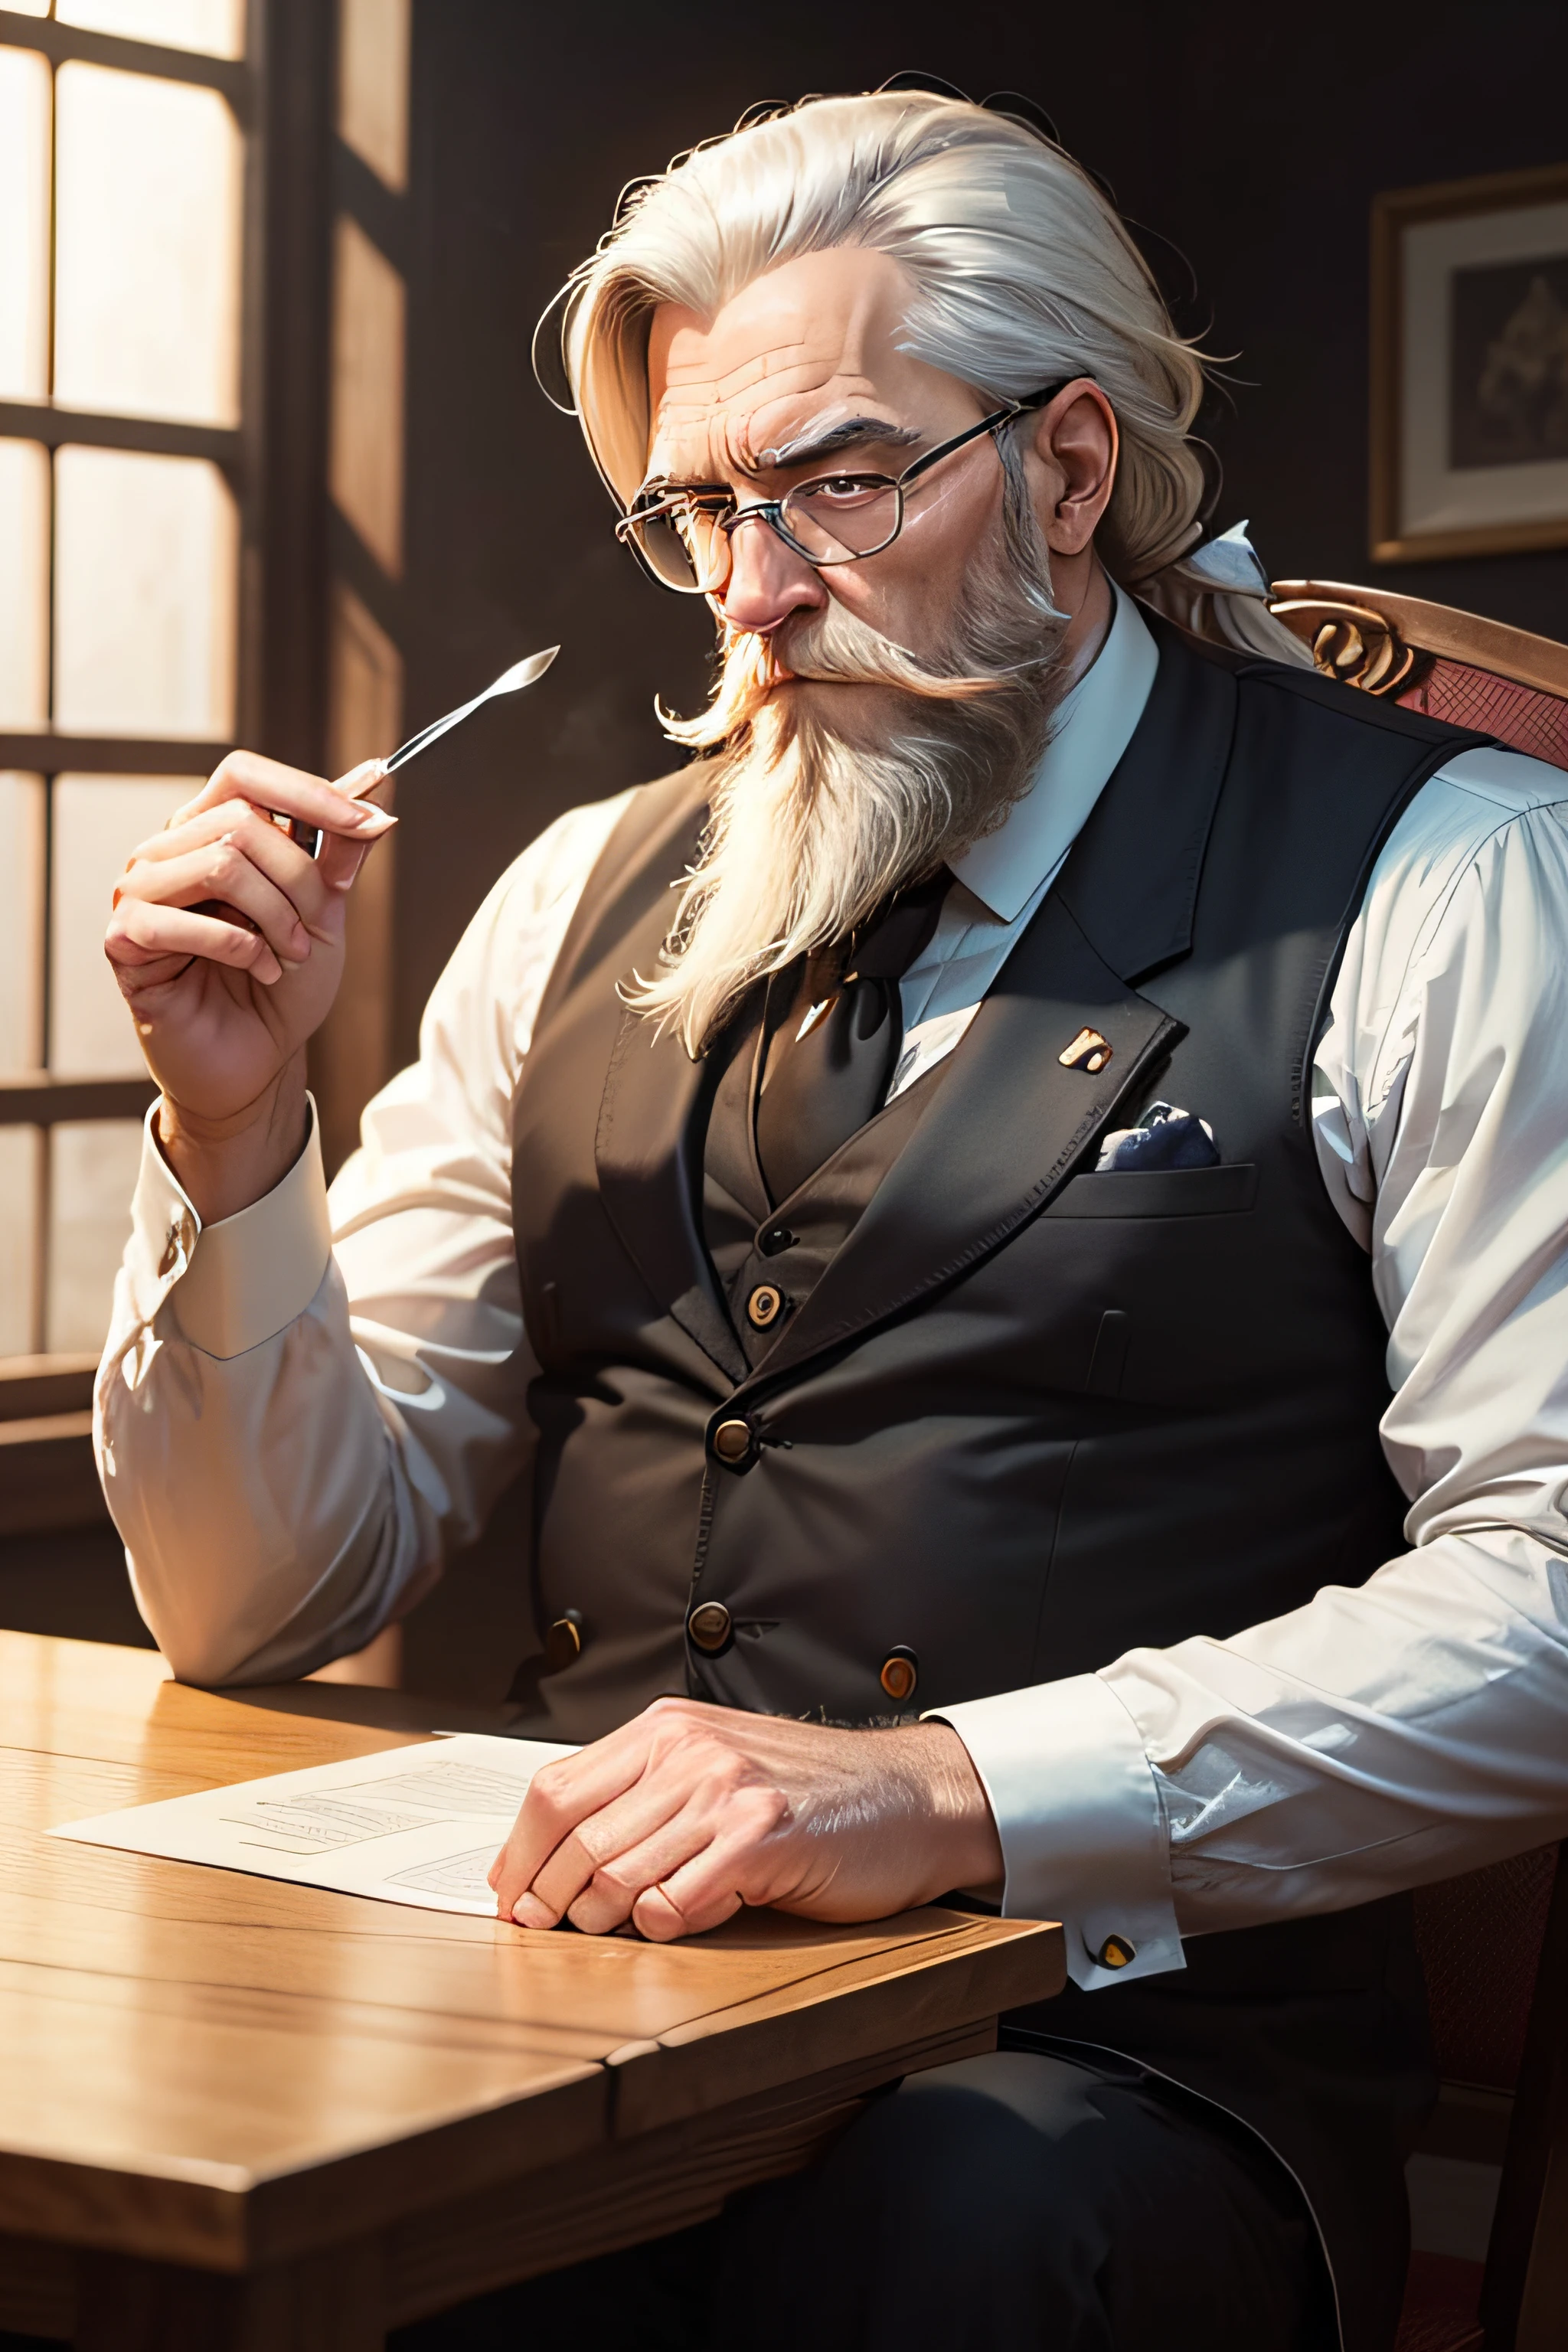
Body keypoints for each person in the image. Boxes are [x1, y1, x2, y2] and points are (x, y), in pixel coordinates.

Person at [98, 89, 1568, 2352]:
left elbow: (1555, 1606)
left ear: (1071, 471)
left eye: (839, 482)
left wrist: (952, 1789)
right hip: (562, 2043)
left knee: (937, 2242)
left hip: (1113, 2081)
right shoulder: (573, 888)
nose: (754, 596)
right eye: (699, 511)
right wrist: (234, 1140)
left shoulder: (1453, 879)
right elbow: (265, 1595)